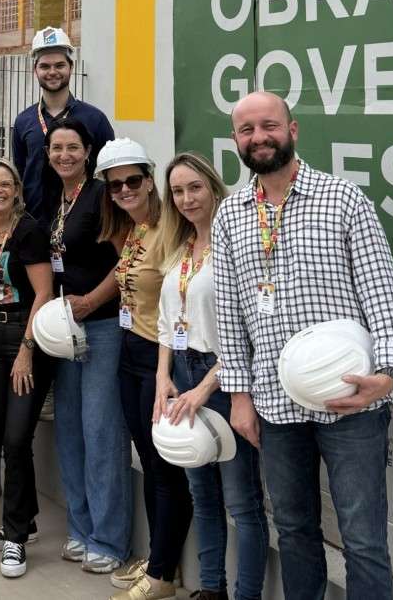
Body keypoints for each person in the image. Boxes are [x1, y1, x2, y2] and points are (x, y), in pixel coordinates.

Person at [213, 91, 393, 599]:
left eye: (269, 125)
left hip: (351, 399)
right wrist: (239, 396)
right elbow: (229, 315)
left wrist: (387, 375)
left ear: (293, 129)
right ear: (235, 139)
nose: (259, 137)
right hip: (276, 404)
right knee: (294, 531)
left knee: (362, 540)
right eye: (246, 130)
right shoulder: (231, 215)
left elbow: (382, 293)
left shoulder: (343, 198)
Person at [155, 151, 268, 600]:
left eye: (195, 187)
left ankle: (247, 595)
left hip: (224, 378)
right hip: (182, 374)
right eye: (177, 191)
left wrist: (204, 388)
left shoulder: (237, 246)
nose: (186, 199)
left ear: (214, 188)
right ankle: (211, 589)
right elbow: (166, 323)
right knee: (201, 493)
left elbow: (254, 332)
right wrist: (163, 377)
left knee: (242, 501)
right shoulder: (180, 246)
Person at [93, 139, 192, 600]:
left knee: (164, 467)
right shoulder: (133, 229)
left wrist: (167, 367)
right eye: (115, 185)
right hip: (130, 353)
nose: (125, 190)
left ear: (151, 181)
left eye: (133, 180)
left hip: (160, 357)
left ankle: (162, 574)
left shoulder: (171, 230)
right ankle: (158, 561)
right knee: (150, 464)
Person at [43, 118, 131, 574]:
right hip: (66, 332)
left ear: (88, 151)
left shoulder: (100, 195)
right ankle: (80, 529)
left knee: (101, 432)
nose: (64, 155)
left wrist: (92, 301)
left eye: (72, 147)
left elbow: (128, 258)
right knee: (70, 431)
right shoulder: (56, 199)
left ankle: (109, 539)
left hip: (102, 327)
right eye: (56, 148)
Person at [0, 158, 56, 578]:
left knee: (17, 438)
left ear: (17, 189)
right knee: (4, 433)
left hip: (25, 339)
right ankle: (27, 519)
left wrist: (27, 349)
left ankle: (16, 538)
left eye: (5, 184)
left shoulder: (29, 230)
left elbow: (44, 293)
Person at [12, 27, 114, 229]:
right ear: (35, 70)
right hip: (34, 226)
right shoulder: (23, 121)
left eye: (59, 65)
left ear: (71, 67)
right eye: (45, 66)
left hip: (84, 228)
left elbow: (109, 174)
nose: (52, 72)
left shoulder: (95, 119)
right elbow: (20, 176)